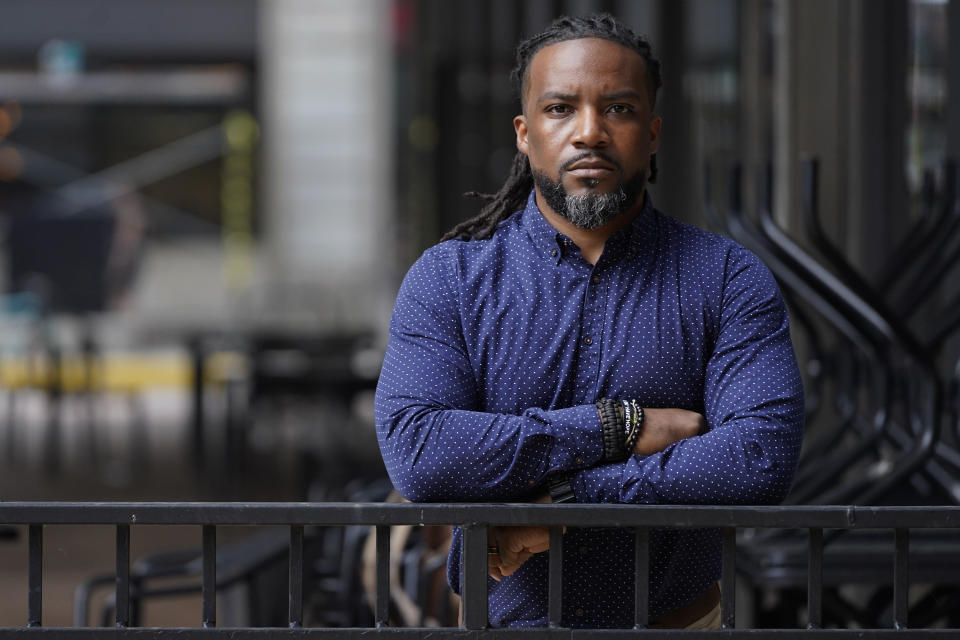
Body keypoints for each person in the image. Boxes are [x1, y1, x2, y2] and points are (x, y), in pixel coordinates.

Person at [374, 13, 804, 630]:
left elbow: (759, 457)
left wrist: (568, 501)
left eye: (620, 109)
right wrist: (614, 427)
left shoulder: (726, 278)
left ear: (653, 133)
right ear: (524, 134)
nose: (590, 133)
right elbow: (421, 452)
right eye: (559, 109)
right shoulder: (450, 279)